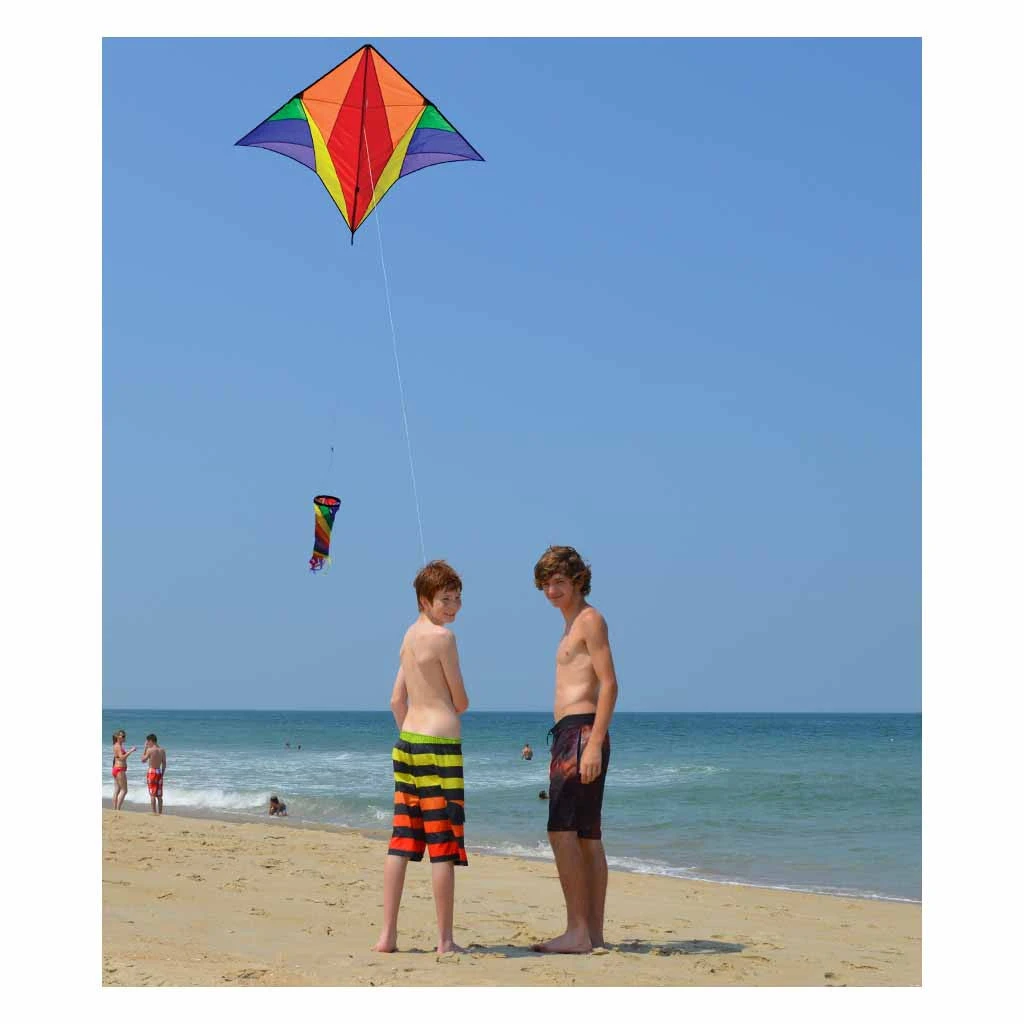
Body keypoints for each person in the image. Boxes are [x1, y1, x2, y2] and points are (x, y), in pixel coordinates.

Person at [373, 560, 470, 955]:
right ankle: (444, 940)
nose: (453, 606)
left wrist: (410, 734)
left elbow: (396, 700)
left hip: (407, 743)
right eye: (445, 599)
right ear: (424, 601)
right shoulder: (443, 638)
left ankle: (388, 936)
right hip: (439, 746)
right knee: (442, 842)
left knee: (403, 838)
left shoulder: (407, 637)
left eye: (457, 598)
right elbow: (460, 701)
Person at [531, 545, 619, 954]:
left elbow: (610, 684)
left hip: (581, 734)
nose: (552, 591)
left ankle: (577, 931)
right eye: (546, 585)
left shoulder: (590, 620)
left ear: (579, 580)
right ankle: (592, 935)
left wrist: (594, 742)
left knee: (562, 832)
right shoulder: (570, 625)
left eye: (559, 582)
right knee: (585, 835)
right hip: (572, 733)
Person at [110, 730, 137, 811]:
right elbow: (122, 758)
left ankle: (114, 809)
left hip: (116, 769)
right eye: (123, 736)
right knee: (124, 790)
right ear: (118, 737)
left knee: (117, 789)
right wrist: (131, 751)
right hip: (119, 769)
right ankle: (118, 810)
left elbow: (117, 757)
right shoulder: (118, 746)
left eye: (125, 736)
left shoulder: (117, 745)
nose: (124, 737)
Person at [141, 734, 166, 815]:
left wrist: (145, 748)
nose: (147, 743)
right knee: (159, 795)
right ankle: (160, 813)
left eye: (148, 742)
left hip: (152, 771)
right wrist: (162, 773)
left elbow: (143, 760)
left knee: (152, 794)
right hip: (159, 771)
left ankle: (154, 812)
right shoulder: (162, 750)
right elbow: (164, 763)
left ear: (151, 741)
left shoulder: (150, 750)